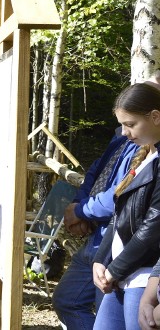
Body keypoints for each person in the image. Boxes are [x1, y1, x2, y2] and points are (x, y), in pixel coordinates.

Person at [52, 129, 137, 329]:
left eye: (128, 123)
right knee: (66, 300)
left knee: (107, 318)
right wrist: (78, 206)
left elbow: (120, 194)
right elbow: (96, 171)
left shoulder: (148, 145)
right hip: (97, 236)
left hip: (117, 242)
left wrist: (82, 211)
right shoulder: (121, 135)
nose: (123, 130)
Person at [92, 83, 160, 329]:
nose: (124, 132)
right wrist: (101, 258)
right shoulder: (143, 155)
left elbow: (154, 227)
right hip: (120, 275)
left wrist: (114, 270)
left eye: (130, 125)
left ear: (155, 117)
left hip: (145, 278)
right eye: (122, 124)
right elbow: (119, 212)